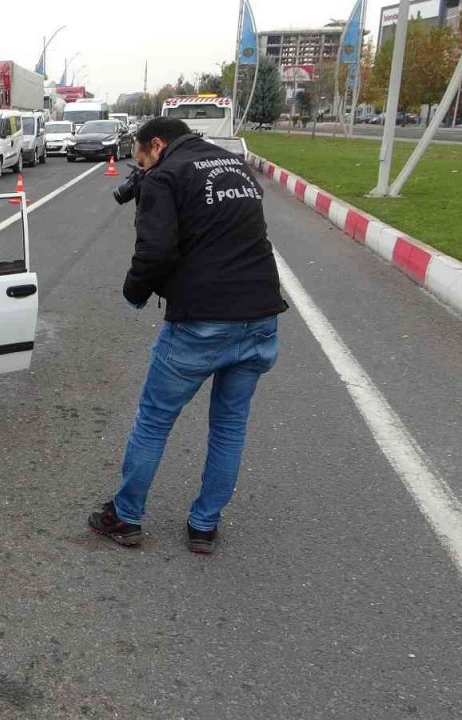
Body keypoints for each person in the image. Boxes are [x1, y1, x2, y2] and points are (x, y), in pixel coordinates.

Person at [88, 117, 288, 554]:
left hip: (203, 322)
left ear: (157, 145)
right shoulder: (235, 166)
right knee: (229, 427)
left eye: (141, 160)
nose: (141, 170)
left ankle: (125, 517)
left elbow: (156, 251)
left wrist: (134, 294)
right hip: (260, 315)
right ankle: (204, 526)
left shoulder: (165, 177)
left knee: (154, 419)